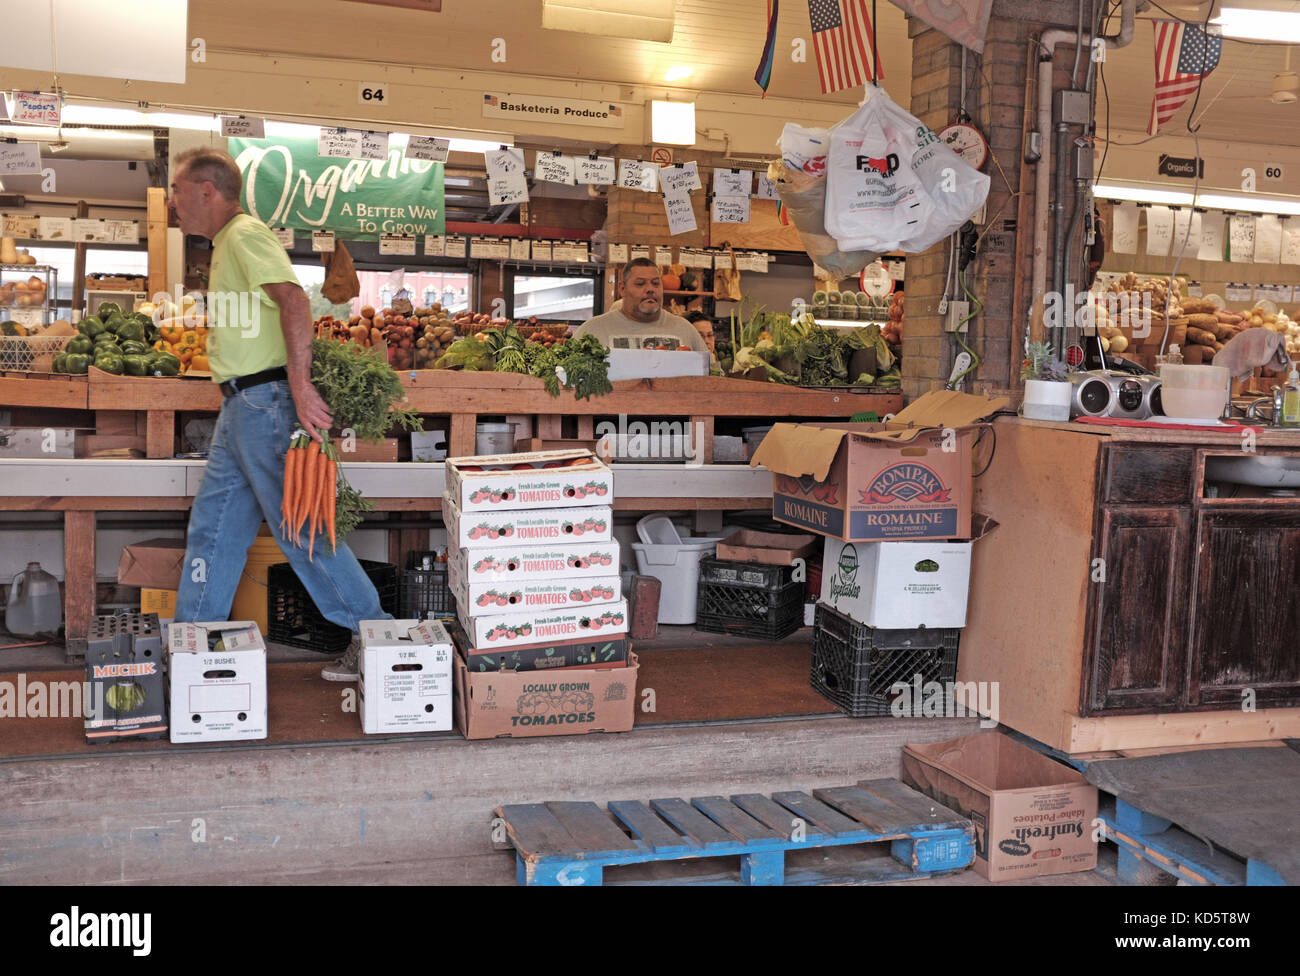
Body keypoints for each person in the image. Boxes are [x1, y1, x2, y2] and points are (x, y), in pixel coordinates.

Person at [167, 147, 390, 682]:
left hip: (265, 402)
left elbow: (293, 300)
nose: (172, 203)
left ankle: (377, 638)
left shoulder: (244, 235)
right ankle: (191, 648)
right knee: (214, 532)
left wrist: (300, 386)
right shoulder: (226, 244)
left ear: (206, 190)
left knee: (302, 531)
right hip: (240, 405)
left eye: (177, 190)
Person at [575, 258, 709, 353]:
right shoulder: (592, 330)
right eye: (640, 284)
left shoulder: (686, 329)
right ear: (622, 289)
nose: (650, 289)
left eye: (656, 283)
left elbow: (710, 378)